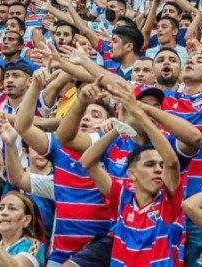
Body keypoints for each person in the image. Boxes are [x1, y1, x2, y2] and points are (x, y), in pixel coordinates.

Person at [80, 81, 184, 267]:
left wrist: (139, 113)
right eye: (150, 164)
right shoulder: (123, 199)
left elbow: (172, 162)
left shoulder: (168, 204)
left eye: (161, 165)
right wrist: (117, 129)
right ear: (132, 174)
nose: (159, 169)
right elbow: (87, 162)